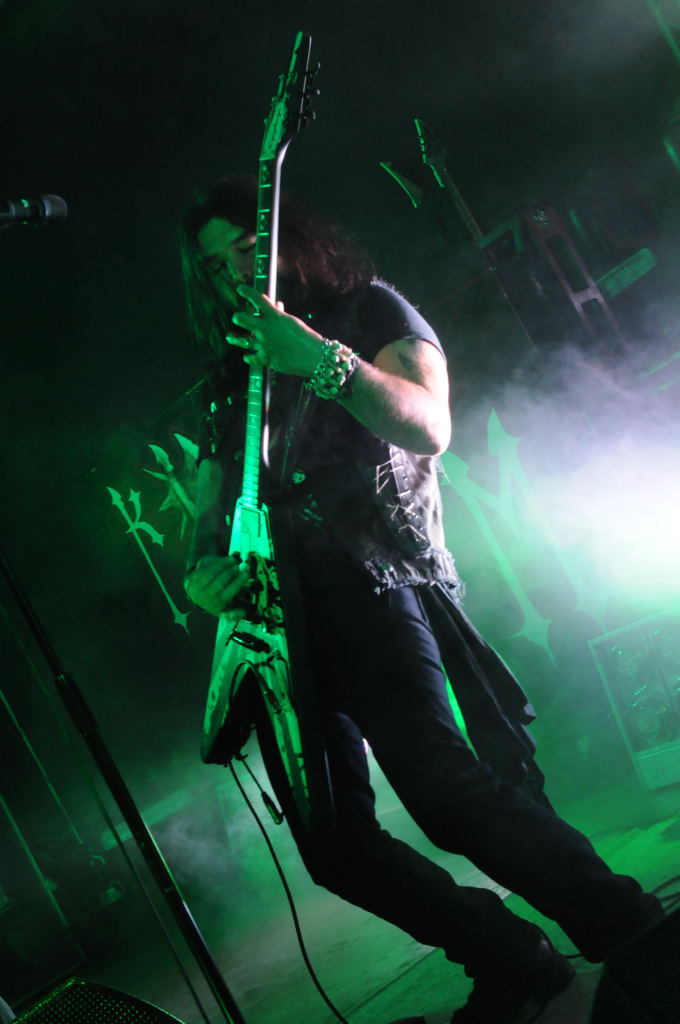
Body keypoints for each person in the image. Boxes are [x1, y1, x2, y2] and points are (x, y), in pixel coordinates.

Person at [179, 175, 663, 1023]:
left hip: (370, 579)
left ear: (290, 237)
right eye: (215, 266)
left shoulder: (368, 309)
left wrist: (319, 359)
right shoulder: (229, 381)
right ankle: (512, 959)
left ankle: (634, 931)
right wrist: (202, 579)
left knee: (448, 796)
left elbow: (428, 426)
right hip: (278, 627)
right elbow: (207, 524)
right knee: (334, 846)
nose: (235, 273)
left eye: (248, 248)